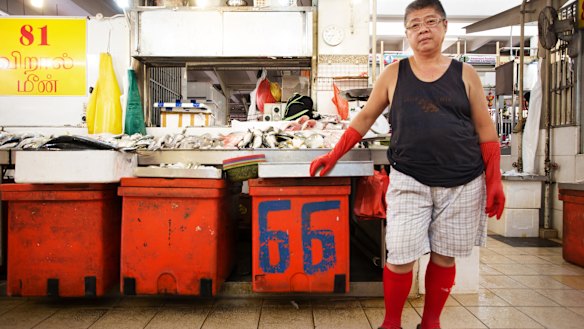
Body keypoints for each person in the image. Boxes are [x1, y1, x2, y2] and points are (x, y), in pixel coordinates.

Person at [309, 1, 505, 328]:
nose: (423, 29)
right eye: (414, 24)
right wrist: (334, 154)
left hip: (463, 182)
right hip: (409, 179)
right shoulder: (394, 73)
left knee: (444, 256)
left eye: (430, 21)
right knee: (399, 255)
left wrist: (495, 179)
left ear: (444, 26)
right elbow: (365, 118)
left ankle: (430, 322)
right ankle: (391, 322)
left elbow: (486, 130)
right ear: (407, 34)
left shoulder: (465, 74)